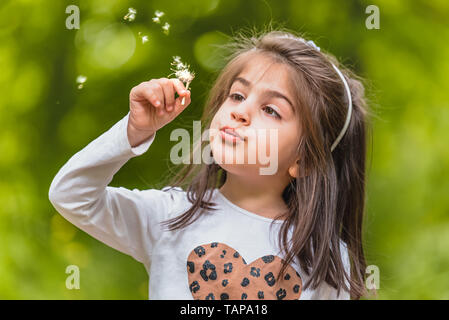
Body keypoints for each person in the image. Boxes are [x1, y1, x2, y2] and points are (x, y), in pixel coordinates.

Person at [49, 29, 372, 300]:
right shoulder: (170, 215)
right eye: (236, 95)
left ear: (303, 161)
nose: (240, 111)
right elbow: (71, 196)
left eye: (271, 110)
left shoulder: (325, 259)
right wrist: (134, 131)